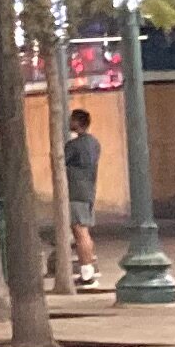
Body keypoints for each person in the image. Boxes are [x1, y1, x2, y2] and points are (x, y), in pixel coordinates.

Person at [64, 108, 104, 279]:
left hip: (75, 191)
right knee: (84, 230)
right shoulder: (94, 143)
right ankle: (88, 268)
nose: (69, 122)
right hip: (88, 189)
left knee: (80, 232)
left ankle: (87, 272)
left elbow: (60, 161)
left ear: (77, 122)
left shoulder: (73, 146)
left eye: (71, 119)